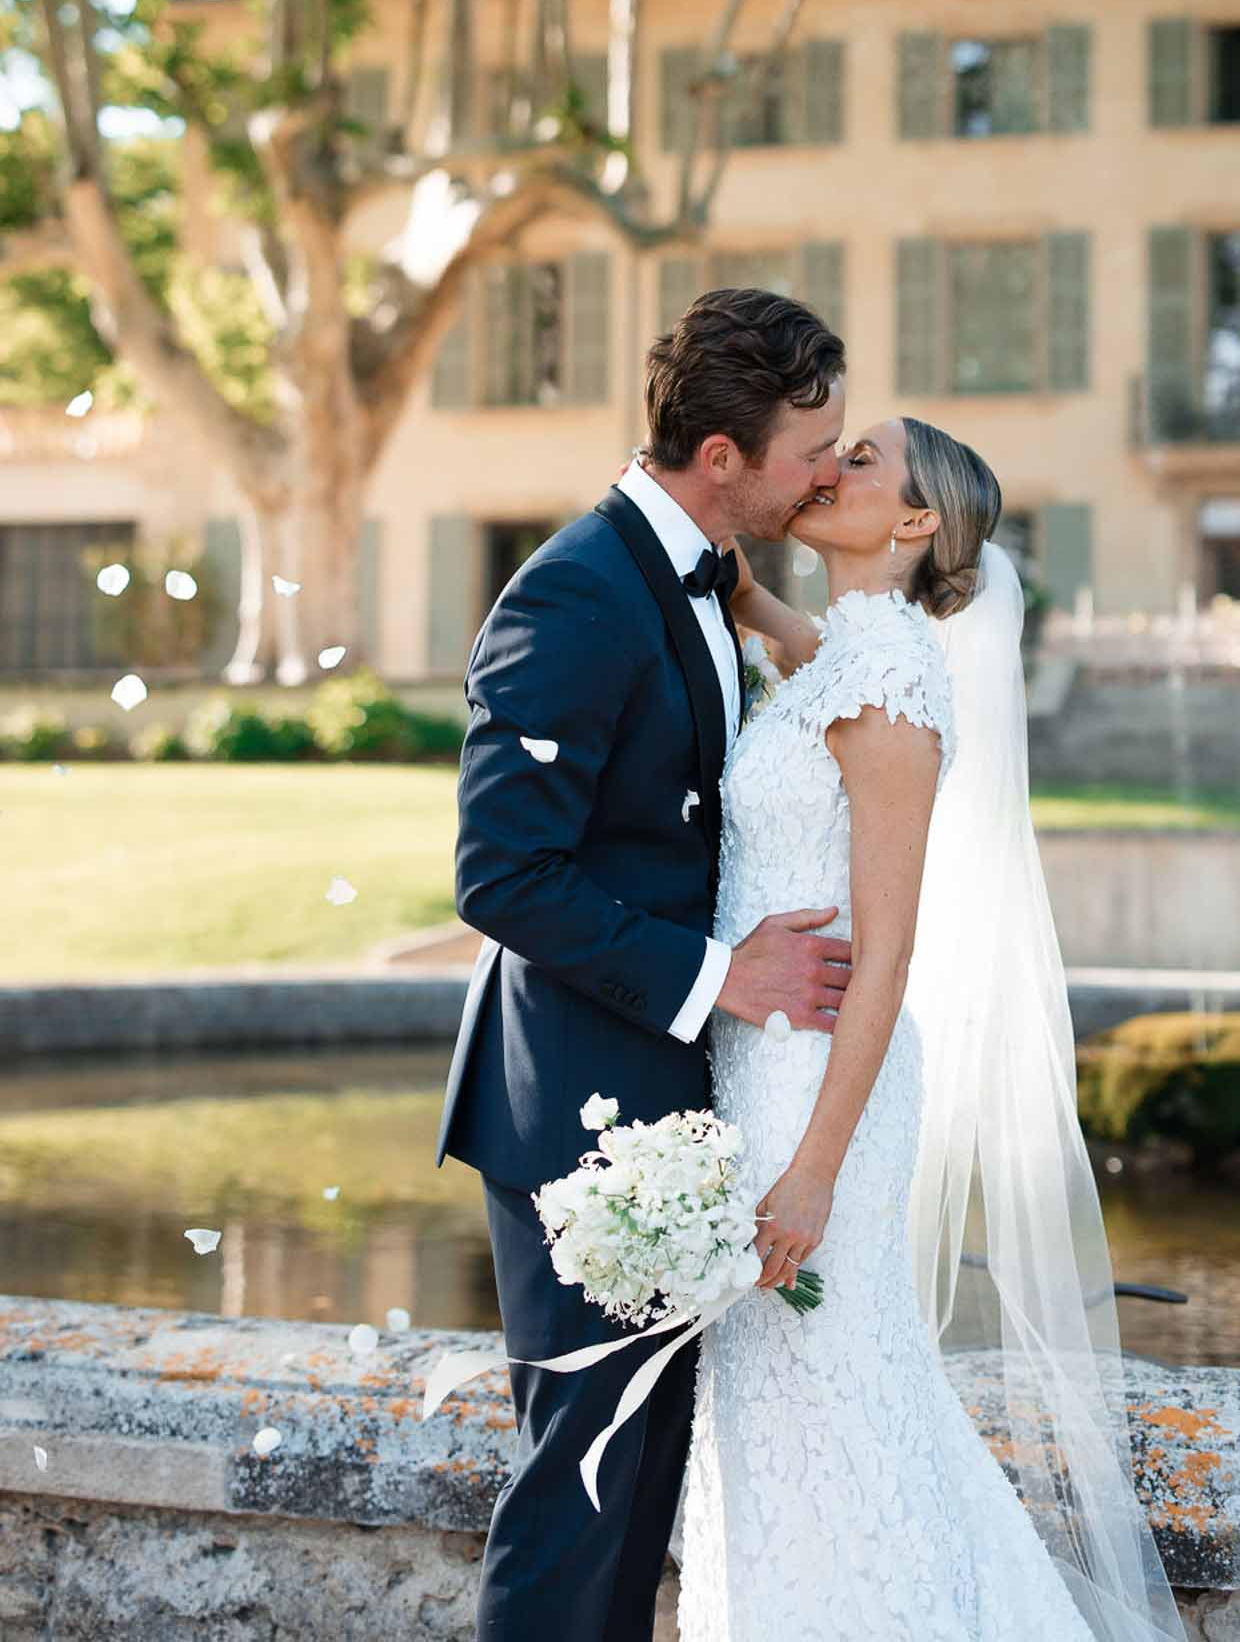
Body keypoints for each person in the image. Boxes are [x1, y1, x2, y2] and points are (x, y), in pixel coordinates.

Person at [678, 415, 1187, 1642]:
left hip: (819, 1094)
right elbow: (820, 660)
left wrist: (812, 1172)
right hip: (758, 1064)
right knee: (779, 1398)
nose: (829, 466)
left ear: (912, 523)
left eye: (861, 460)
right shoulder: (857, 649)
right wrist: (737, 583)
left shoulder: (897, 682)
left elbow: (891, 953)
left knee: (835, 1388)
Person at [436, 287, 855, 1642]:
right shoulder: (573, 588)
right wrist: (717, 978)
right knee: (580, 1500)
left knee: (633, 1492)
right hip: (582, 1118)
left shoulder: (697, 579)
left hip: (665, 1109)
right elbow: (502, 875)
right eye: (808, 446)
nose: (825, 472)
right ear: (721, 456)